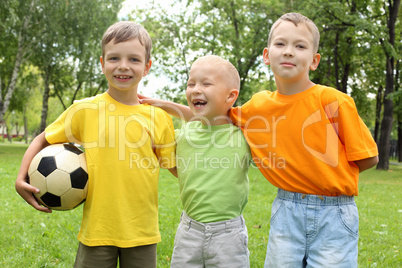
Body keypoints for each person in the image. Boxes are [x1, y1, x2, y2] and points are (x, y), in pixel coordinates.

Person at [140, 13, 379, 267]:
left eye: (300, 46)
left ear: (314, 60)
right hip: (287, 209)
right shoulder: (259, 106)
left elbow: (368, 158)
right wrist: (165, 105)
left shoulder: (333, 101)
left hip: (335, 212)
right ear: (267, 55)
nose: (289, 52)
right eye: (280, 44)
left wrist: (319, 174)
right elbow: (214, 117)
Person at [15, 21, 176, 268]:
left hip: (142, 230)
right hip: (98, 229)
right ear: (102, 64)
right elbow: (42, 139)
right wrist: (21, 177)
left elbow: (175, 167)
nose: (123, 66)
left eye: (134, 59)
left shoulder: (158, 117)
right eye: (114, 58)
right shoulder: (85, 110)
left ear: (147, 67)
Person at [160, 55, 251, 267]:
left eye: (206, 83)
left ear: (231, 96)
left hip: (229, 235)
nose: (195, 89)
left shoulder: (242, 135)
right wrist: (160, 106)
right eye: (191, 83)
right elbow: (181, 169)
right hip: (189, 231)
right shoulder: (183, 134)